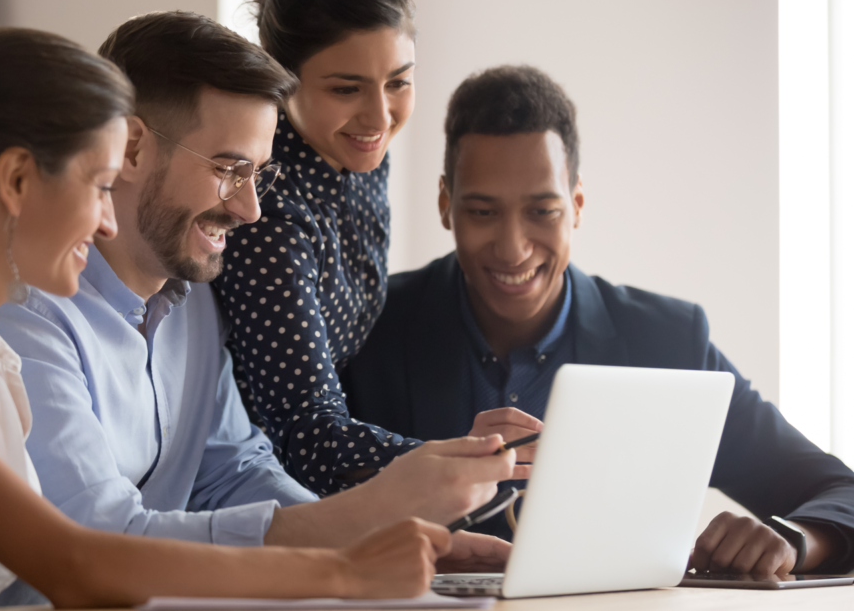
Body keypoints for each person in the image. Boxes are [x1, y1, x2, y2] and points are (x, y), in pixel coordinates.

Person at [0, 27, 461, 611]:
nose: (109, 221)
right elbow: (76, 561)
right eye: (101, 186)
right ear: (18, 178)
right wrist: (345, 568)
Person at [0, 11, 521, 605]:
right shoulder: (24, 313)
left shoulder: (192, 303)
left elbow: (231, 472)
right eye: (228, 169)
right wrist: (360, 522)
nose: (250, 210)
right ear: (131, 148)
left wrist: (375, 541)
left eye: (258, 176)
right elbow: (103, 541)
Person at [339, 64, 854, 576]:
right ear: (445, 203)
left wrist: (794, 539)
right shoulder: (369, 327)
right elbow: (292, 508)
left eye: (542, 212)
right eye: (482, 212)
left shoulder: (668, 343)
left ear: (577, 204)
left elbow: (841, 491)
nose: (513, 249)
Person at [212, 0, 422, 497]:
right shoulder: (268, 210)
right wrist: (461, 459)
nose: (379, 115)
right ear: (283, 81)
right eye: (346, 89)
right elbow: (309, 436)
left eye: (399, 82)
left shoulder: (358, 155)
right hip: (248, 495)